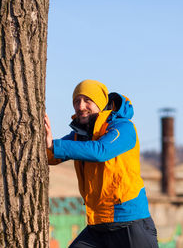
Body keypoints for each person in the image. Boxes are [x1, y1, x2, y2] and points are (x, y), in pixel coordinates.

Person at [45, 80, 158, 248]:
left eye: (87, 100)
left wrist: (54, 146)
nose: (81, 106)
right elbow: (52, 156)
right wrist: (43, 143)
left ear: (100, 103)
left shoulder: (123, 127)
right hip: (98, 226)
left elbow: (101, 151)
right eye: (76, 101)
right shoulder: (79, 134)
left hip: (130, 222)